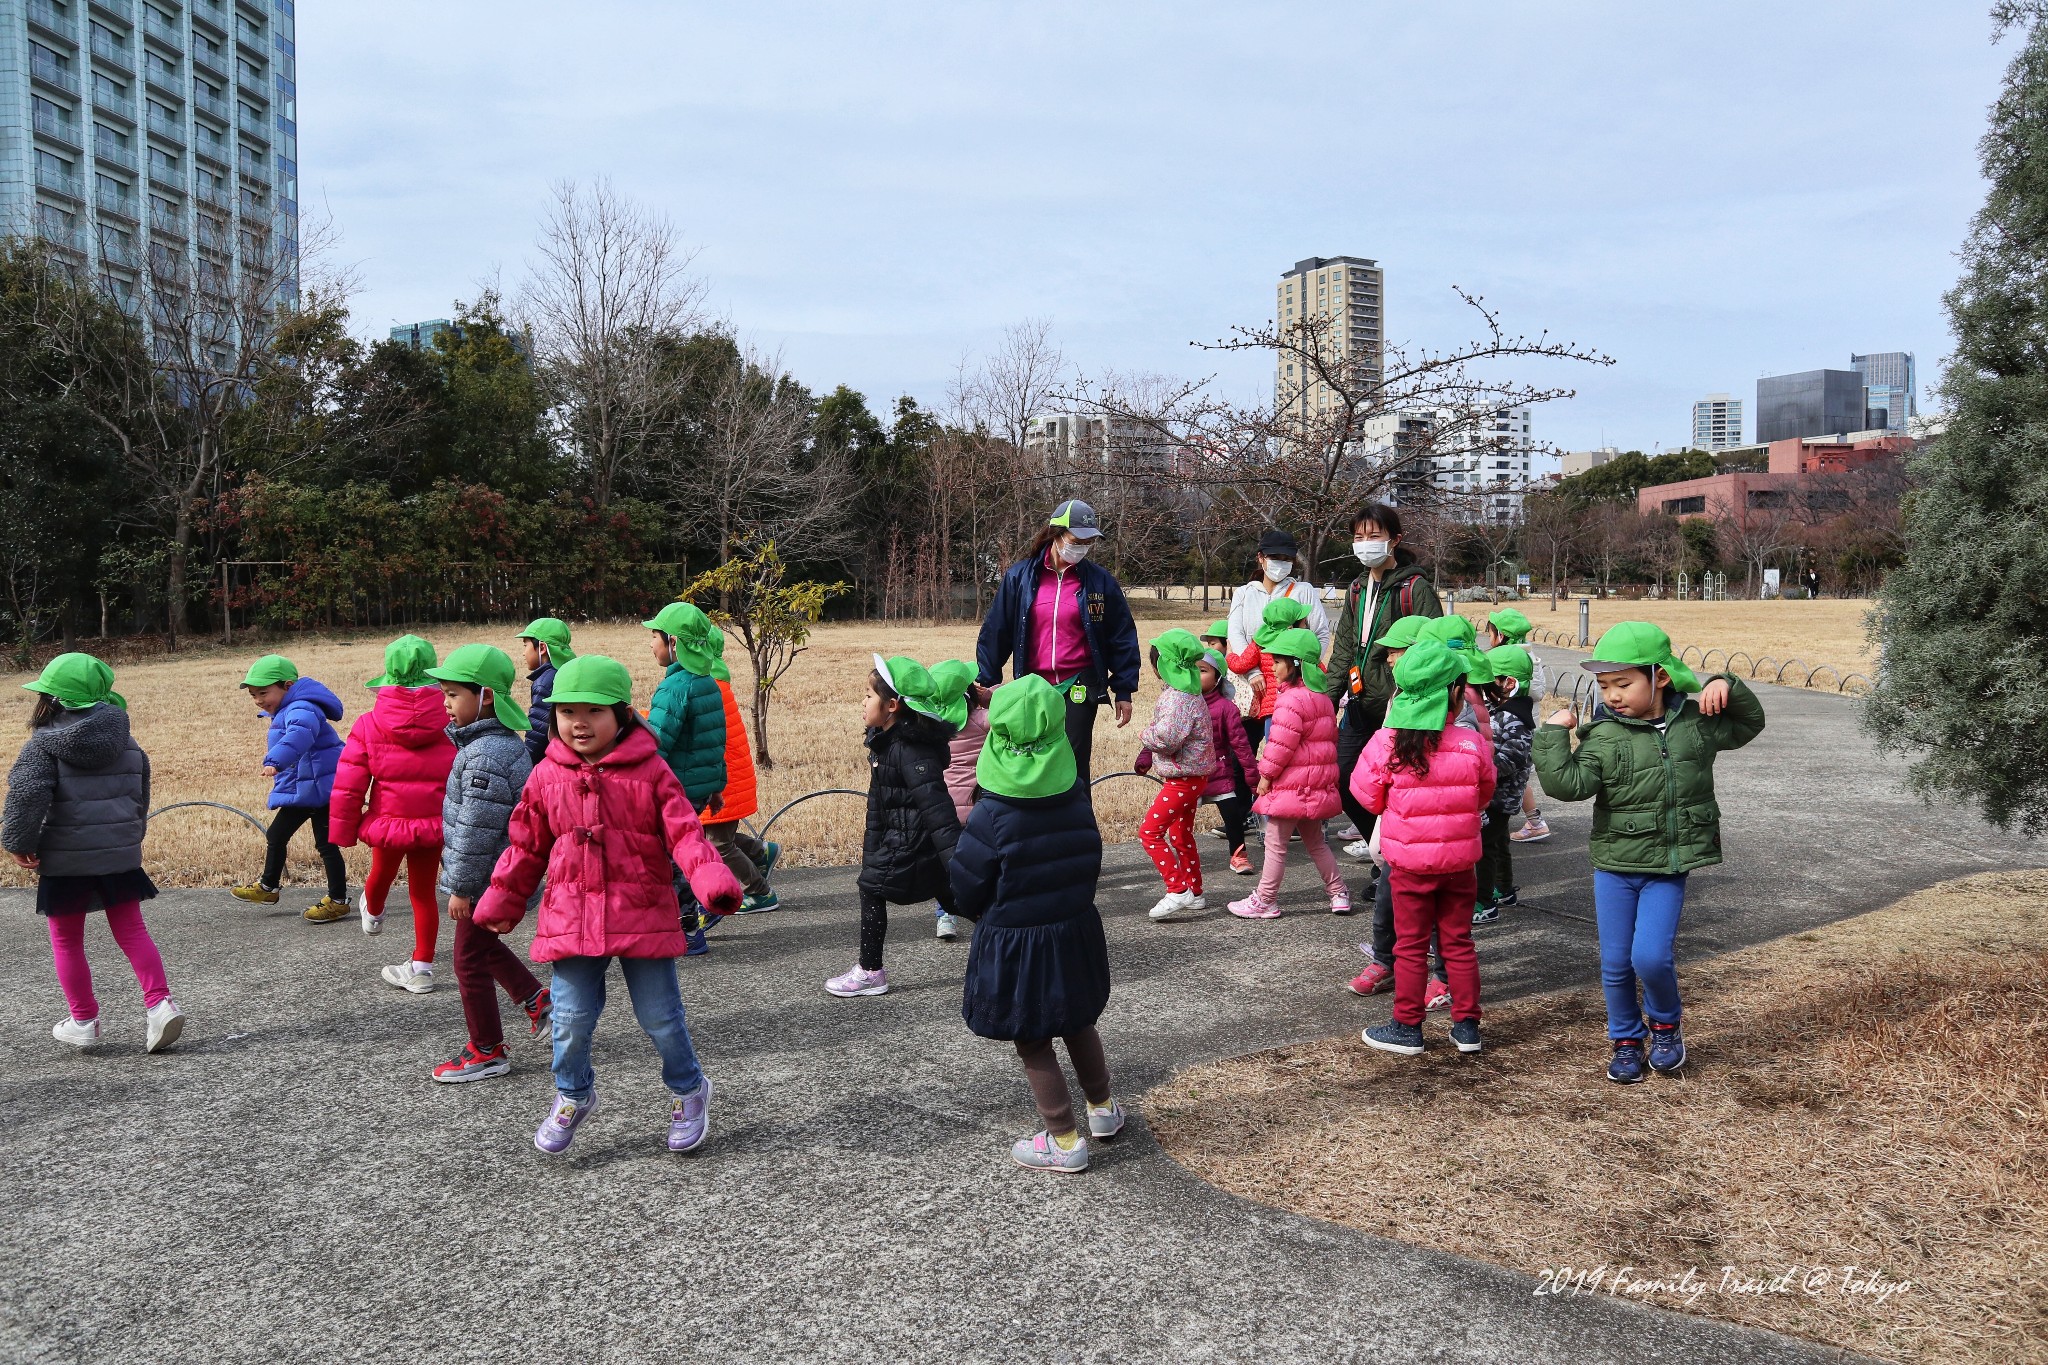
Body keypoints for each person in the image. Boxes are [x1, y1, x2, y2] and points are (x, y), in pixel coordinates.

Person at [473, 655, 743, 1155]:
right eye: (566, 711)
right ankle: (573, 1095)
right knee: (570, 1019)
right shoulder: (546, 777)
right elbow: (526, 846)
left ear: (621, 715)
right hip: (572, 917)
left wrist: (712, 881)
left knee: (661, 1017)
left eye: (593, 711)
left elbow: (686, 834)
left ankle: (689, 1090)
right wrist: (502, 898)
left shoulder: (652, 772)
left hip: (641, 910)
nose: (578, 722)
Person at [1533, 623, 1765, 1084]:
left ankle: (1665, 1027)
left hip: (1668, 865)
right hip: (1615, 866)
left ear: (1660, 677)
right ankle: (1625, 1038)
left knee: (1651, 957)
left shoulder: (1696, 724)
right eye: (1604, 686)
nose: (1613, 695)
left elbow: (1747, 724)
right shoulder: (1602, 734)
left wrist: (1726, 684)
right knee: (1616, 963)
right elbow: (1569, 785)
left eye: (1624, 683)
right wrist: (1553, 735)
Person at [947, 675, 1124, 1173]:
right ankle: (1103, 1109)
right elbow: (1090, 857)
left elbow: (966, 883)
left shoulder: (992, 813)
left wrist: (980, 911)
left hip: (1017, 942)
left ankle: (1063, 1139)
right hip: (1072, 928)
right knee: (1078, 1020)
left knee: (1032, 1036)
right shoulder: (1076, 794)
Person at [4, 654, 184, 1053]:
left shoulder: (42, 745)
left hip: (66, 861)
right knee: (132, 930)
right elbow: (140, 799)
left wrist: (18, 842)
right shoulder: (128, 742)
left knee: (67, 940)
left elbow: (27, 796)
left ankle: (83, 1019)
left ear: (52, 699)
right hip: (118, 857)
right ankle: (160, 1005)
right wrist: (131, 838)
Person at [1352, 639, 1494, 1057]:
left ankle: (1407, 1027)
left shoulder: (1386, 743)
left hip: (1409, 865)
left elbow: (1365, 796)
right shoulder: (1471, 743)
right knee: (1458, 942)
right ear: (1455, 692)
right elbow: (1483, 794)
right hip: (1459, 866)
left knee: (1410, 945)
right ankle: (1467, 1027)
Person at [421, 645, 550, 1083]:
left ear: (486, 697)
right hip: (494, 874)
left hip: (486, 878)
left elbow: (476, 828)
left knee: (467, 961)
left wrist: (461, 886)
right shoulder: (491, 746)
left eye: (454, 694)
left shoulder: (485, 756)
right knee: (480, 949)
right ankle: (536, 999)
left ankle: (487, 1050)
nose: (446, 704)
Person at [975, 499, 1142, 784]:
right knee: (1029, 762)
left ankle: (1076, 825)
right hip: (1031, 686)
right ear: (1056, 534)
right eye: (1077, 540)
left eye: (1088, 542)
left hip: (1079, 686)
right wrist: (987, 680)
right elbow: (996, 631)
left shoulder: (1100, 582)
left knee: (1073, 765)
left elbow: (1122, 637)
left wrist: (1123, 690)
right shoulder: (1020, 577)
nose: (1081, 548)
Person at [826, 656, 963, 998]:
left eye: (869, 695)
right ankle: (1008, 931)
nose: (863, 701)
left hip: (913, 842)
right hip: (904, 838)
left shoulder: (909, 750)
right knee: (958, 898)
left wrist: (960, 861)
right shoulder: (885, 741)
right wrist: (872, 850)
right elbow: (879, 805)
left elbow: (937, 807)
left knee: (872, 886)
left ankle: (870, 972)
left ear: (892, 706)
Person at [328, 634, 458, 992]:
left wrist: (343, 830)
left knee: (380, 873)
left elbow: (349, 783)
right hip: (434, 823)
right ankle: (421, 969)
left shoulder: (368, 724)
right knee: (423, 894)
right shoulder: (452, 724)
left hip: (389, 822)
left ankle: (373, 913)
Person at [1348, 614, 1459, 1004]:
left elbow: (1365, 789)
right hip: (1404, 839)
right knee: (1388, 904)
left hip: (1446, 845)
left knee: (1440, 922)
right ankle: (1385, 962)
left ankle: (1437, 983)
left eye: (1396, 651)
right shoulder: (1397, 712)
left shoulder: (1461, 730)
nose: (1390, 659)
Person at [1323, 503, 1442, 861]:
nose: (1365, 544)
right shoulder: (1357, 588)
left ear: (1395, 540)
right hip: (1360, 703)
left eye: (1374, 536)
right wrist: (1329, 699)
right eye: (1359, 537)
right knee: (1344, 779)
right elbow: (1345, 645)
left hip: (1399, 707)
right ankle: (1383, 844)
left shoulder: (1414, 588)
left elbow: (1434, 648)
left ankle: (1389, 860)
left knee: (1400, 786)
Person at [1228, 629, 1349, 920]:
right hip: (1313, 787)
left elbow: (1280, 745)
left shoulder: (1289, 701)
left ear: (1294, 664)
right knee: (1316, 842)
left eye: (1278, 661)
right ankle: (1338, 892)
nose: (1273, 666)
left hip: (1290, 787)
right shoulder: (1320, 699)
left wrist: (1265, 778)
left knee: (1275, 842)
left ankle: (1265, 899)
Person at [231, 655, 350, 922]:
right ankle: (270, 888)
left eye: (263, 693)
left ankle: (335, 900)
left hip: (318, 789)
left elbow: (299, 735)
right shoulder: (291, 707)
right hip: (309, 787)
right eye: (253, 695)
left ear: (287, 685)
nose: (259, 700)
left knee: (321, 844)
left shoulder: (301, 708)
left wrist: (275, 761)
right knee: (288, 836)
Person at [643, 603, 728, 956]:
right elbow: (714, 740)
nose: (651, 644)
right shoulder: (708, 681)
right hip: (698, 787)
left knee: (671, 860)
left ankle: (688, 930)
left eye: (654, 637)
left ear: (674, 642)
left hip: (675, 789)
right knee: (688, 851)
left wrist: (639, 783)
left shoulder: (675, 688)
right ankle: (709, 897)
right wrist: (716, 787)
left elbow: (656, 744)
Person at [1134, 630, 1217, 922]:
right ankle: (1194, 891)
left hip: (1183, 779)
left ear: (1164, 666)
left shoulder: (1178, 698)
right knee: (1180, 833)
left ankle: (1177, 888)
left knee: (1150, 832)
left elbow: (1168, 739)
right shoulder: (1189, 691)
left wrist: (1145, 735)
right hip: (1192, 777)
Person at [1225, 530, 1332, 748]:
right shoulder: (1244, 593)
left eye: (1287, 559)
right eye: (1275, 558)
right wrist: (1253, 672)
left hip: (1289, 688)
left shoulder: (1304, 591)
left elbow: (1320, 633)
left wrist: (1300, 671)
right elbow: (1235, 633)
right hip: (1250, 686)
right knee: (1240, 753)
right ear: (1261, 558)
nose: (1281, 564)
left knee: (1285, 748)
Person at [703, 627, 779, 917]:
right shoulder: (714, 683)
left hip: (724, 781)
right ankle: (760, 852)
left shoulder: (708, 687)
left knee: (718, 844)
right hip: (726, 777)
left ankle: (760, 893)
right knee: (707, 836)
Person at [1473, 645, 1535, 926]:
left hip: (1502, 796)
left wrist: (1481, 770)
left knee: (1485, 847)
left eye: (1491, 680)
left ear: (1509, 683)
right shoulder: (1496, 709)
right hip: (1495, 794)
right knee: (1499, 841)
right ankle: (1505, 888)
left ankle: (1484, 902)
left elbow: (1512, 758)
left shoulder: (1516, 718)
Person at [929, 659, 990, 942]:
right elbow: (1010, 704)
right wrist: (988, 695)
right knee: (980, 863)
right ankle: (983, 911)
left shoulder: (931, 726)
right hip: (977, 808)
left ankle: (945, 916)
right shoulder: (981, 721)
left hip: (943, 810)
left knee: (947, 865)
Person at [1483, 608, 1554, 845]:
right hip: (1524, 724)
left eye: (1490, 633)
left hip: (1511, 730)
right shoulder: (1531, 657)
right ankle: (1534, 821)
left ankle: (1535, 822)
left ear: (1500, 635)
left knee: (1515, 778)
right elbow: (1540, 691)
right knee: (1520, 780)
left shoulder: (1503, 663)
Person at [1226, 596, 1315, 752]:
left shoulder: (1261, 641)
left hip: (1272, 708)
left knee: (1274, 750)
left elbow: (1240, 665)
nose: (1306, 625)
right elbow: (1319, 668)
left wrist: (1229, 655)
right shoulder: (1300, 643)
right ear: (1291, 625)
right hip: (1300, 704)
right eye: (1303, 622)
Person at [1199, 648, 1258, 876]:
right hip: (1190, 775)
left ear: (1218, 678)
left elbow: (1242, 747)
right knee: (1180, 820)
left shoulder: (1226, 708)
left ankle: (1238, 855)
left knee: (1233, 816)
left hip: (1219, 773)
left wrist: (1253, 778)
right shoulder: (1182, 702)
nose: (1196, 675)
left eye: (1203, 671)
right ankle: (1185, 856)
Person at [517, 618, 575, 765]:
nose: (523, 653)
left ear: (542, 648)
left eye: (525, 646)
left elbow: (538, 730)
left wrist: (527, 761)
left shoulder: (544, 682)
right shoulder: (570, 673)